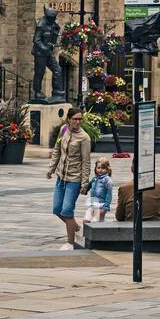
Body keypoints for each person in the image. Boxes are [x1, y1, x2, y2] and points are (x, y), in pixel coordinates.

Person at [46, 106, 91, 249]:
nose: (78, 122)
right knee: (57, 209)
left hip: (74, 179)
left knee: (67, 211)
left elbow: (86, 162)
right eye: (75, 119)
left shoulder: (84, 138)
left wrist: (84, 183)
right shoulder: (64, 129)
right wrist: (51, 169)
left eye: (80, 119)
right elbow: (57, 150)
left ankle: (70, 242)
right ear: (69, 119)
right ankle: (76, 227)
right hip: (61, 177)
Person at [85, 160, 113, 224]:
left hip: (101, 204)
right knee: (87, 220)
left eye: (103, 168)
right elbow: (89, 186)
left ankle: (101, 233)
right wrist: (84, 190)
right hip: (93, 203)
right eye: (98, 168)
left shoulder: (107, 180)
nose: (100, 170)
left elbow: (109, 194)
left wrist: (105, 207)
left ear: (107, 169)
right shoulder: (94, 179)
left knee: (99, 223)